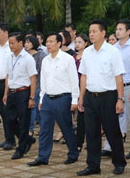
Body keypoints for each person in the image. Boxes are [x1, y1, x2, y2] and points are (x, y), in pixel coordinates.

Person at [77, 19, 127, 176]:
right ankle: (93, 165)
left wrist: (120, 99)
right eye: (90, 31)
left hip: (108, 97)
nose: (91, 34)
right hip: (90, 97)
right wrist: (81, 97)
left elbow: (119, 77)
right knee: (91, 132)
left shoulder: (113, 52)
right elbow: (83, 76)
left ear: (103, 33)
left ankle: (119, 162)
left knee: (112, 131)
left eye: (94, 31)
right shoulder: (87, 53)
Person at [27, 32, 80, 166]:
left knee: (66, 127)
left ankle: (73, 153)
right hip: (47, 99)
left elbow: (74, 81)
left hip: (63, 98)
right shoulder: (45, 60)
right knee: (45, 129)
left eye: (51, 42)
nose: (48, 44)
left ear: (59, 43)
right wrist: (41, 99)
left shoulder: (67, 59)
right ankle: (43, 156)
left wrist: (74, 100)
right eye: (47, 42)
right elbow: (43, 81)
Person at [102, 19, 130, 160]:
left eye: (120, 29)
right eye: (116, 29)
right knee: (113, 118)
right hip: (115, 87)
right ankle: (109, 147)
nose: (117, 31)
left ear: (128, 31)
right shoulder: (113, 48)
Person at [3, 32, 38, 159]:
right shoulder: (10, 57)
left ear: (20, 43)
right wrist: (6, 93)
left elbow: (33, 79)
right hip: (12, 92)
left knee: (24, 122)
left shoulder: (28, 58)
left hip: (23, 92)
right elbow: (8, 76)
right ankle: (27, 139)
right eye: (9, 43)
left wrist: (32, 97)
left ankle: (21, 149)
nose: (10, 45)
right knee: (10, 120)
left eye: (12, 43)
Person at [0, 23, 15, 150]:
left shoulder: (11, 47)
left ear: (6, 33)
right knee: (2, 113)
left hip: (9, 84)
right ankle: (8, 138)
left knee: (9, 113)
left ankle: (13, 139)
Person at [25, 34, 47, 136]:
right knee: (30, 109)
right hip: (26, 86)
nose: (26, 45)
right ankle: (30, 128)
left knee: (36, 108)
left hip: (38, 85)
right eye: (25, 42)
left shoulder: (41, 55)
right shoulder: (24, 55)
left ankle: (34, 129)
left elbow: (44, 72)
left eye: (28, 42)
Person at [74, 33, 90, 151]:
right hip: (74, 88)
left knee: (87, 117)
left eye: (80, 42)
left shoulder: (89, 56)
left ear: (86, 43)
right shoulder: (72, 57)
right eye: (76, 42)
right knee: (79, 119)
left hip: (86, 88)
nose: (77, 44)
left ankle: (89, 142)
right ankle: (78, 142)